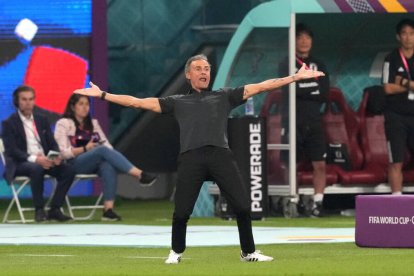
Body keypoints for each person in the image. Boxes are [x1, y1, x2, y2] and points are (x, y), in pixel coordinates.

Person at [74, 54, 324, 264]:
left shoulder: (225, 95)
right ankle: (176, 251)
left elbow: (261, 86)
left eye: (206, 68)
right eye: (198, 69)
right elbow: (137, 102)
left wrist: (294, 77)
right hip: (191, 158)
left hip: (220, 156)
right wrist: (103, 95)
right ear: (188, 75)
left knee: (243, 207)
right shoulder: (177, 102)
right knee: (182, 212)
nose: (204, 72)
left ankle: (248, 252)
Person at [54, 94, 157, 221]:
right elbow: (63, 152)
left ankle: (108, 210)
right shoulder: (63, 123)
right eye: (81, 104)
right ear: (72, 107)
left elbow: (107, 146)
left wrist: (112, 158)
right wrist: (85, 148)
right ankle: (140, 174)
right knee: (101, 150)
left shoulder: (93, 124)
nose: (85, 107)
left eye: (87, 104)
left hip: (93, 163)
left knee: (107, 164)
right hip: (72, 164)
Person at [2, 85, 75, 222]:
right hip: (21, 163)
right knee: (37, 168)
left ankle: (55, 209)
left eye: (31, 99)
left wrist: (55, 156)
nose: (28, 103)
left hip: (45, 160)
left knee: (68, 170)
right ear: (17, 102)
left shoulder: (42, 120)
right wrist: (36, 159)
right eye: (24, 99)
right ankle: (39, 210)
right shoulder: (9, 123)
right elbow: (12, 150)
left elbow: (52, 143)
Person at [279, 23, 329, 217]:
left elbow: (324, 93)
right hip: (292, 121)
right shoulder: (286, 63)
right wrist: (310, 88)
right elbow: (288, 90)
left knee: (320, 163)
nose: (304, 41)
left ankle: (318, 203)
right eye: (300, 37)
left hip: (314, 121)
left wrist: (302, 88)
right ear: (293, 40)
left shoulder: (320, 64)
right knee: (291, 163)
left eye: (307, 37)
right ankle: (293, 200)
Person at [382, 18, 414, 195]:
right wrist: (411, 84)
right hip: (395, 117)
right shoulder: (391, 59)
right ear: (398, 37)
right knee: (396, 161)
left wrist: (402, 81)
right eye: (404, 34)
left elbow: (396, 85)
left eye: (411, 33)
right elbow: (387, 88)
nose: (408, 37)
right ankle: (396, 201)